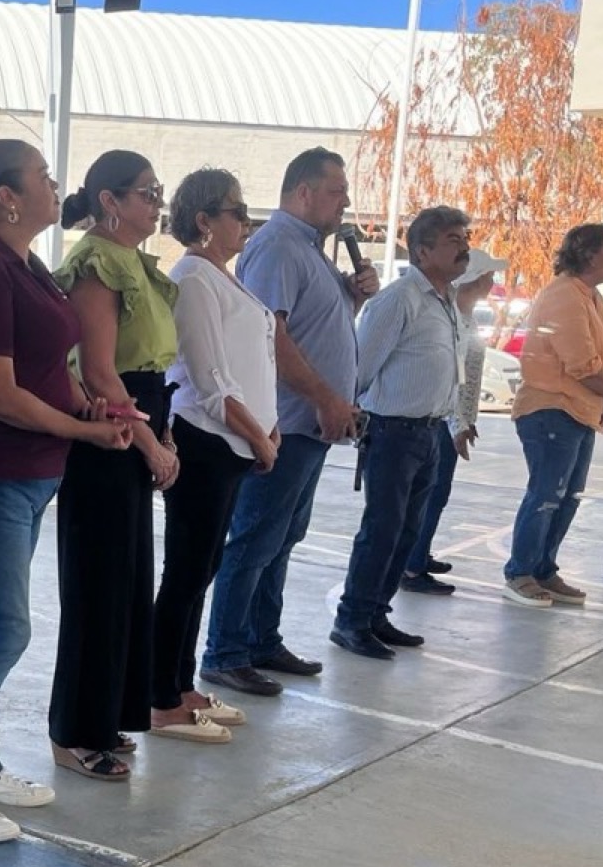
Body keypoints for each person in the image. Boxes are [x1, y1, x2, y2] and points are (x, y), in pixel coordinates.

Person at [0, 140, 131, 835]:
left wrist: (85, 406)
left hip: (27, 472)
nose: (54, 183)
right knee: (2, 625)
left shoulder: (23, 263)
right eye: (42, 176)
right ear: (7, 197)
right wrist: (84, 433)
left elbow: (46, 365)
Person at [200, 147, 377, 694]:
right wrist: (326, 396)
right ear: (303, 192)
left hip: (308, 422)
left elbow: (311, 328)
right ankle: (226, 650)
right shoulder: (278, 246)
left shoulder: (309, 250)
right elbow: (271, 335)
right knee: (255, 536)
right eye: (336, 191)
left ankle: (260, 638)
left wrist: (349, 299)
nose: (345, 202)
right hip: (285, 421)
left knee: (282, 535)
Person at [50, 151, 179, 781]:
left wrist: (164, 436)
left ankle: (110, 714)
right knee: (97, 585)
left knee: (128, 582)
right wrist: (149, 443)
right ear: (110, 200)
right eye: (147, 193)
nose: (157, 204)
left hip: (143, 415)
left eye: (159, 193)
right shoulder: (96, 263)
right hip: (111, 429)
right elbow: (99, 369)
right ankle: (76, 729)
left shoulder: (134, 262)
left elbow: (154, 369)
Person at [150, 168, 276, 739]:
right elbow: (211, 381)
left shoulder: (221, 277)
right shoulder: (195, 279)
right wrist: (258, 435)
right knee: (186, 570)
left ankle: (180, 684)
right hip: (208, 442)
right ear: (204, 220)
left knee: (203, 568)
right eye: (236, 210)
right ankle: (160, 698)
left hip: (232, 446)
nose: (245, 220)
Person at [331, 206, 472, 659]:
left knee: (408, 532)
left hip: (429, 435)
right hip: (392, 433)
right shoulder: (398, 300)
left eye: (464, 237)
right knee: (383, 530)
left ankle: (376, 614)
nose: (464, 247)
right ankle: (351, 621)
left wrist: (453, 423)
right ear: (423, 250)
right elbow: (360, 368)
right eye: (453, 239)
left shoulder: (446, 299)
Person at [502, 222, 603, 609]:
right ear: (589, 255)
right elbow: (582, 365)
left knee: (568, 496)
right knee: (546, 493)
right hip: (550, 410)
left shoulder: (591, 297)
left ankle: (544, 568)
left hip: (579, 410)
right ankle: (520, 572)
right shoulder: (564, 297)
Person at [402, 247, 506, 595]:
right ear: (473, 281)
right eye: (488, 275)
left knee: (437, 493)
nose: (492, 281)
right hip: (441, 421)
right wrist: (457, 423)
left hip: (453, 419)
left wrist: (467, 418)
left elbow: (467, 377)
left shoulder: (464, 317)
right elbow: (449, 379)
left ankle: (418, 553)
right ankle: (412, 566)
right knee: (430, 494)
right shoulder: (452, 321)